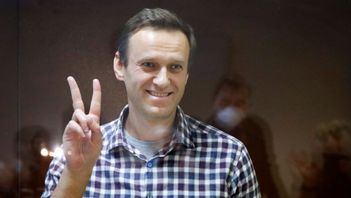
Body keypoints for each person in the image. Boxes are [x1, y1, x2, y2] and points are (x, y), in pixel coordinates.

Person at [42, 8, 260, 197]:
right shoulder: (77, 154)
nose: (163, 81)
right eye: (149, 64)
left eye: (175, 67)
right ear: (120, 66)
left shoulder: (229, 156)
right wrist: (76, 176)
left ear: (187, 74)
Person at [207, 76, 282, 198]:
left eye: (239, 103)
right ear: (214, 103)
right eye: (225, 102)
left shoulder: (254, 131)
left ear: (247, 107)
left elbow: (264, 172)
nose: (231, 108)